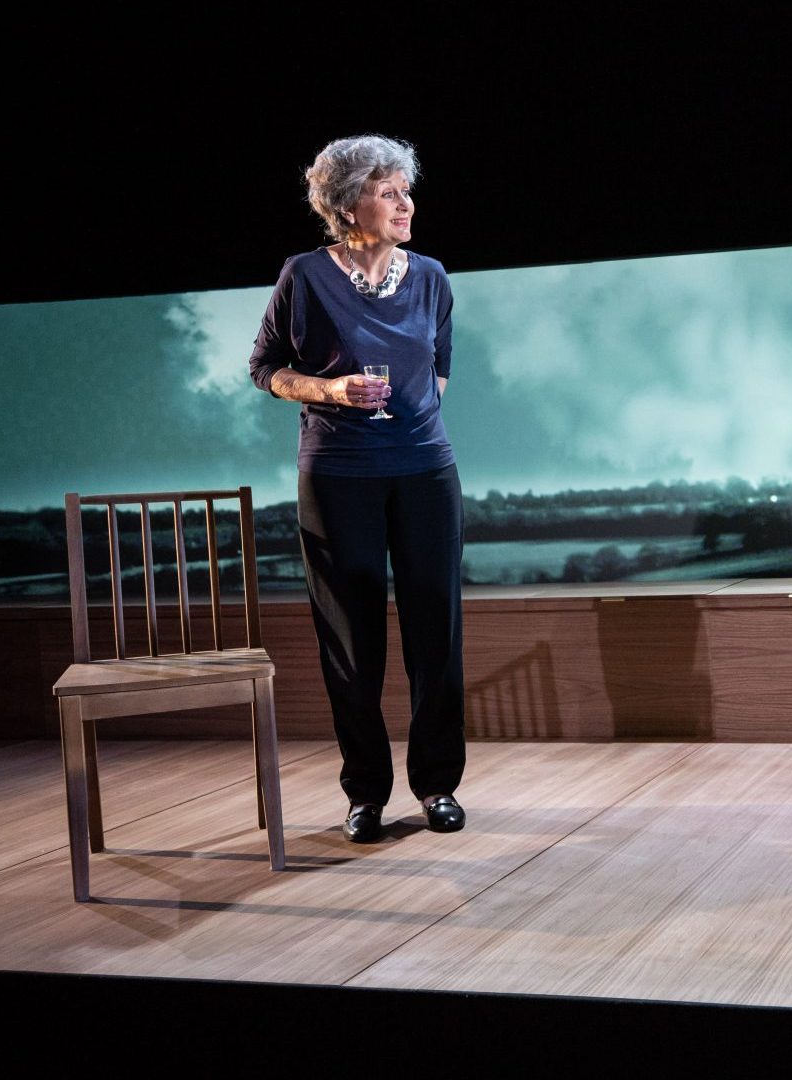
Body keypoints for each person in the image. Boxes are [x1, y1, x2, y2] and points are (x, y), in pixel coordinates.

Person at [248, 134, 467, 844]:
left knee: (436, 629)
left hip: (425, 470)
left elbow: (436, 373)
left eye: (407, 190)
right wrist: (331, 390)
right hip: (339, 473)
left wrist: (410, 427)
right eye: (388, 191)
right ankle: (366, 793)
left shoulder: (431, 276)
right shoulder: (305, 276)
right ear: (348, 205)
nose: (405, 203)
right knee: (352, 638)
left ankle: (437, 785)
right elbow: (267, 370)